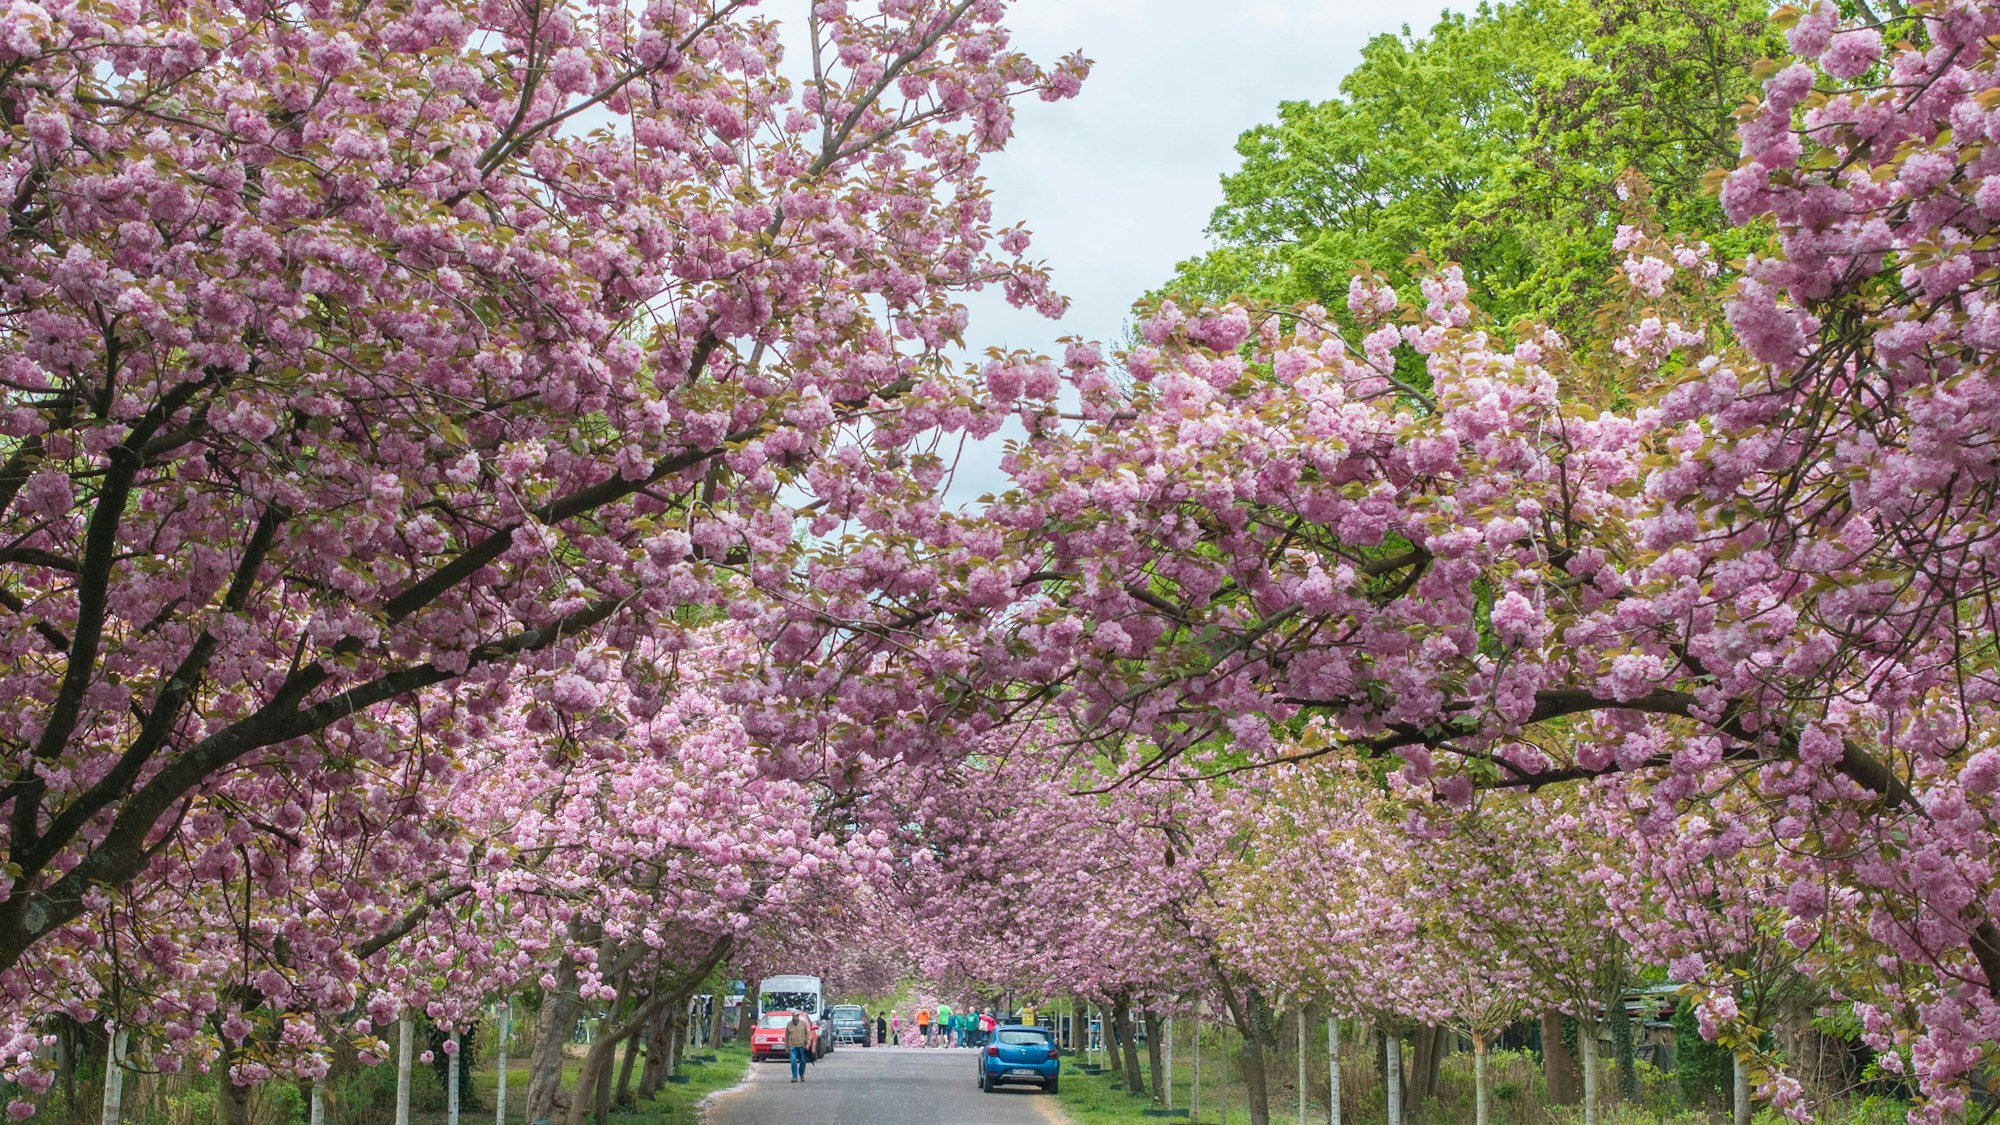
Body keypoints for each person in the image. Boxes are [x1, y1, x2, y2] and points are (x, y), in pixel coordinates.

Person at [785, 1012, 812, 1083]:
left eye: (798, 1015)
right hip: (792, 1046)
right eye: (796, 1015)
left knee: (803, 1061)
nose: (797, 1017)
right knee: (793, 1061)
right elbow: (786, 1036)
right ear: (793, 1016)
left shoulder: (803, 1023)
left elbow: (807, 1034)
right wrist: (786, 1046)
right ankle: (794, 1076)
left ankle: (801, 1075)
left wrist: (808, 1043)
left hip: (802, 1045)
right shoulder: (789, 1024)